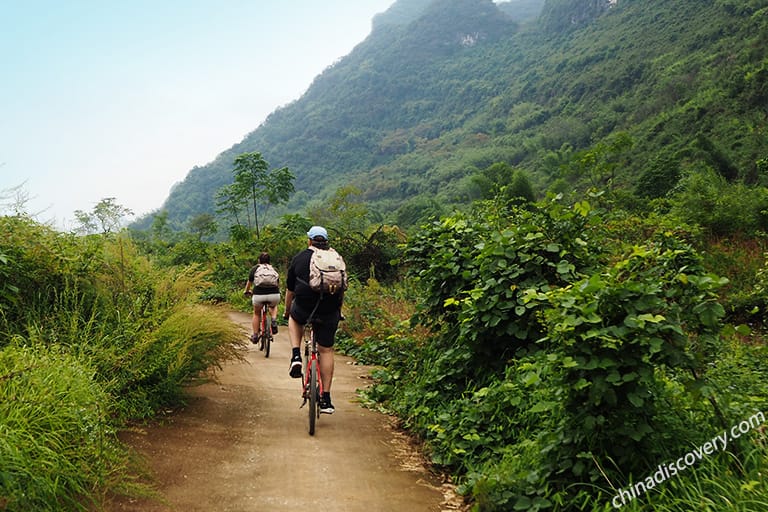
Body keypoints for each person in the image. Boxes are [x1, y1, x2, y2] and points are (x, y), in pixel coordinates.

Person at [283, 225, 345, 414]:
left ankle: (295, 355)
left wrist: (287, 312)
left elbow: (290, 291)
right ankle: (326, 399)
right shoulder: (336, 258)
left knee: (295, 318)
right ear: (326, 241)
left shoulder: (300, 258)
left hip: (304, 307)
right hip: (329, 311)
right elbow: (341, 289)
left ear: (309, 240)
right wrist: (338, 311)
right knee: (326, 350)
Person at [244, 252, 281, 344]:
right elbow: (278, 284)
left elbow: (249, 283)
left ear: (259, 260)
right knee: (273, 306)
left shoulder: (255, 268)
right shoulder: (273, 269)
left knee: (256, 313)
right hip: (274, 295)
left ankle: (255, 335)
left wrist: (246, 291)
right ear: (269, 261)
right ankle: (273, 319)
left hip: (258, 295)